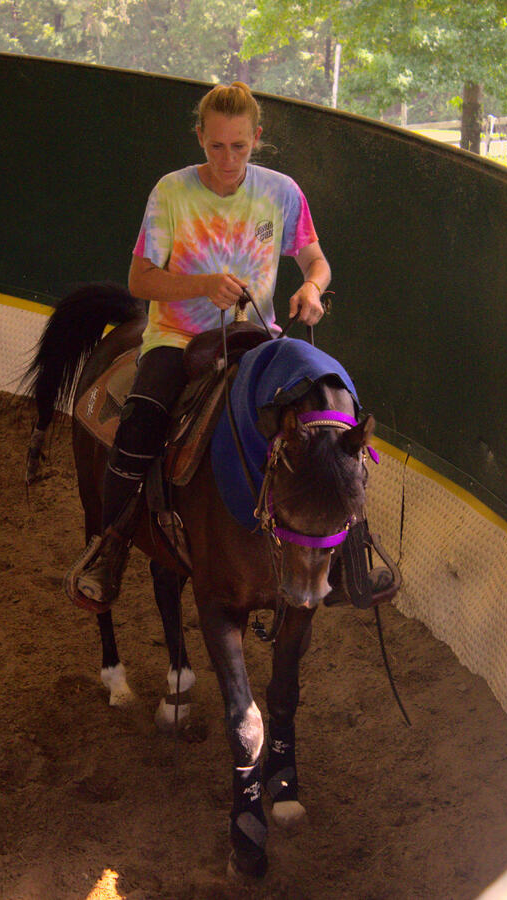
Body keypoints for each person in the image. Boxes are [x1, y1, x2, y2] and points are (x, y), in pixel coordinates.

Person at [75, 81, 331, 606]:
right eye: (216, 146)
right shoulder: (171, 192)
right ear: (199, 138)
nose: (228, 159)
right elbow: (141, 280)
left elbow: (315, 260)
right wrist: (202, 285)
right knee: (141, 422)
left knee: (322, 419)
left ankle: (349, 554)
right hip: (178, 339)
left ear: (256, 137)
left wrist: (312, 287)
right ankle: (111, 546)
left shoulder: (282, 191)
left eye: (239, 146)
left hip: (257, 341)